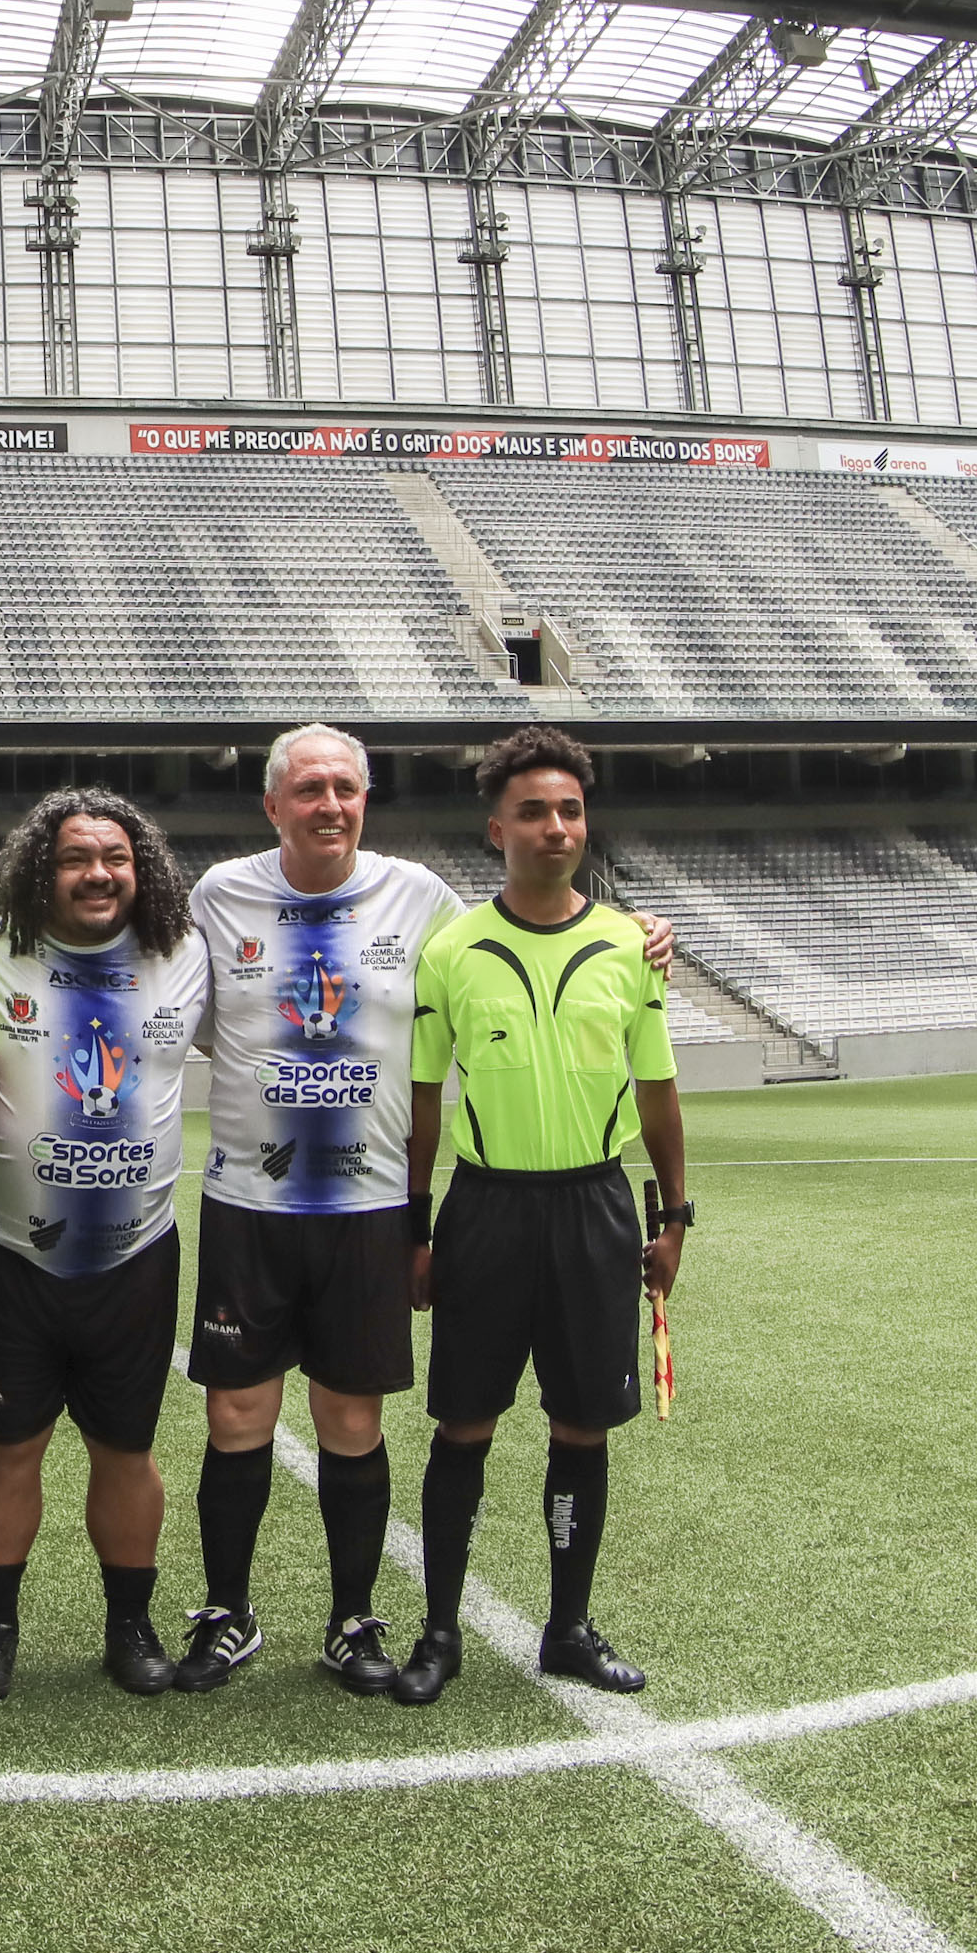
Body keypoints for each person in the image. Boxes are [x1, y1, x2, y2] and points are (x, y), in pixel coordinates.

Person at [394, 725, 692, 1707]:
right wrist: (417, 1229)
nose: (555, 826)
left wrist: (674, 1217)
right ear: (495, 829)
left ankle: (566, 1628)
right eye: (533, 811)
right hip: (485, 1213)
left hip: (594, 1209)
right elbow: (424, 1101)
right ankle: (438, 1632)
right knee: (462, 1426)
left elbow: (657, 1093)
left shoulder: (629, 946)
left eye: (569, 809)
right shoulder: (451, 951)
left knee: (581, 1428)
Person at [175, 722, 459, 1695]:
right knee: (237, 1415)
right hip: (248, 1205)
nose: (328, 805)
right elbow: (185, 1010)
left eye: (345, 788)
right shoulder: (220, 896)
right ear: (272, 805)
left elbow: (506, 947)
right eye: (309, 790)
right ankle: (227, 1613)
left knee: (349, 1421)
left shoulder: (418, 898)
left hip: (369, 1210)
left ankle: (351, 1621)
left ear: (364, 801)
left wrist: (629, 928)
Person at [0, 787, 203, 1702]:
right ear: (38, 869)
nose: (98, 873)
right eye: (75, 858)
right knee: (9, 1443)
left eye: (116, 857)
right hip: (10, 1250)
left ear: (142, 870)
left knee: (126, 1448)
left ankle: (130, 1627)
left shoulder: (187, 951)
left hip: (137, 1252)